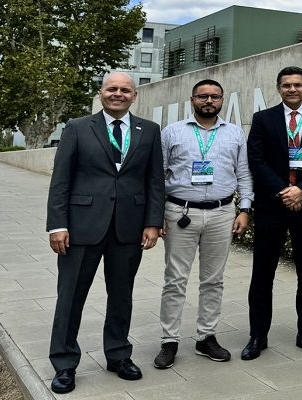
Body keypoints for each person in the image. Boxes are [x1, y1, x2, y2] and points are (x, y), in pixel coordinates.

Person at [45, 72, 164, 393]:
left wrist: (153, 222)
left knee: (121, 296)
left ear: (134, 95)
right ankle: (64, 363)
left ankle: (118, 355)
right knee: (71, 297)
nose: (118, 94)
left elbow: (155, 180)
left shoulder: (149, 130)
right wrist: (57, 225)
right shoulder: (77, 127)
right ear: (101, 93)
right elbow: (60, 180)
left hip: (128, 227)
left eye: (125, 90)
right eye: (112, 88)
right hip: (81, 227)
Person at [153, 79, 253, 369]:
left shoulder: (234, 132)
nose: (209, 101)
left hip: (222, 213)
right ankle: (169, 340)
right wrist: (156, 215)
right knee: (175, 279)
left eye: (215, 96)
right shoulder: (172, 132)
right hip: (179, 212)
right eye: (203, 96)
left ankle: (206, 337)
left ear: (222, 100)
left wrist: (245, 209)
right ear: (192, 100)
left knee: (213, 279)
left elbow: (244, 173)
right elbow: (157, 176)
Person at [243, 66, 302, 359]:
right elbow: (256, 160)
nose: (292, 89)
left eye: (297, 84)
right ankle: (257, 336)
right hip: (272, 204)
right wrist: (285, 191)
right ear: (279, 88)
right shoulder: (263, 119)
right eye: (286, 85)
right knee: (262, 272)